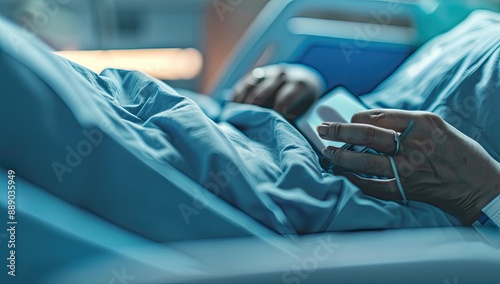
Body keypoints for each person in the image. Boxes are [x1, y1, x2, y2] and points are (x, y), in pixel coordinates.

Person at [230, 11, 500, 226]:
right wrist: (308, 87)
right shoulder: (477, 25)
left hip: (331, 195)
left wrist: (484, 191)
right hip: (279, 138)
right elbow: (386, 104)